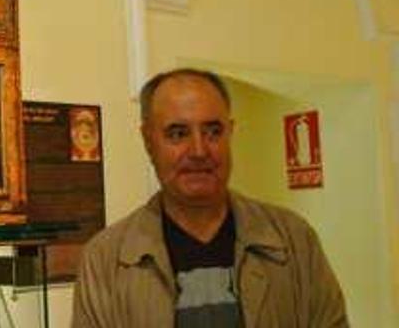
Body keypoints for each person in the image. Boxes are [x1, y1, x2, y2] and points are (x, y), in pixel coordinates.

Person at [71, 68, 347, 327]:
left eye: (213, 132)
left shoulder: (293, 241)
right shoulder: (106, 261)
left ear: (230, 133)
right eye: (178, 134)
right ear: (148, 141)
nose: (199, 150)